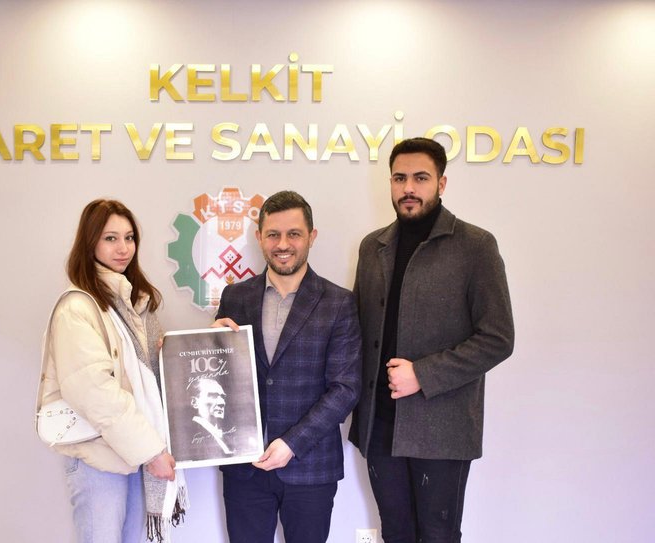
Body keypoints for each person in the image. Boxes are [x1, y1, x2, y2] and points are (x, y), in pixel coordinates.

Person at [348, 137, 514, 542]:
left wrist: (423, 374)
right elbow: (354, 326)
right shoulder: (373, 247)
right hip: (379, 425)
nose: (408, 188)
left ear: (441, 183)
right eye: (399, 178)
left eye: (420, 178)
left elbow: (498, 338)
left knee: (438, 535)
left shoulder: (476, 246)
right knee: (395, 533)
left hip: (442, 428)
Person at [212, 190, 362, 543]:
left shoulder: (339, 303)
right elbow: (220, 379)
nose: (283, 244)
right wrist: (207, 343)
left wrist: (292, 443)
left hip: (310, 467)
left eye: (293, 234)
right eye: (273, 234)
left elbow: (345, 389)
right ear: (259, 237)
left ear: (311, 236)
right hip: (245, 469)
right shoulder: (235, 297)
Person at [38, 199, 187, 543]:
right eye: (110, 238)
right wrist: (151, 452)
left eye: (129, 238)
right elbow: (94, 392)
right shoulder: (78, 308)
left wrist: (213, 340)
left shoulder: (136, 305)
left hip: (133, 452)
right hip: (100, 457)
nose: (123, 248)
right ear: (90, 242)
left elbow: (152, 370)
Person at [188, 378, 235, 456]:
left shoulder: (227, 437)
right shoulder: (190, 437)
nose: (222, 403)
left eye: (223, 397)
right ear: (194, 402)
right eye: (213, 396)